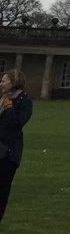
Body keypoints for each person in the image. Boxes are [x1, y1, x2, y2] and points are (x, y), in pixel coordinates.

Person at [0, 69, 34, 225]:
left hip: (8, 152)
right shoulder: (1, 98)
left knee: (2, 189)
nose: (1, 83)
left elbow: (16, 124)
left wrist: (8, 108)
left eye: (3, 81)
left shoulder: (24, 101)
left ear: (13, 83)